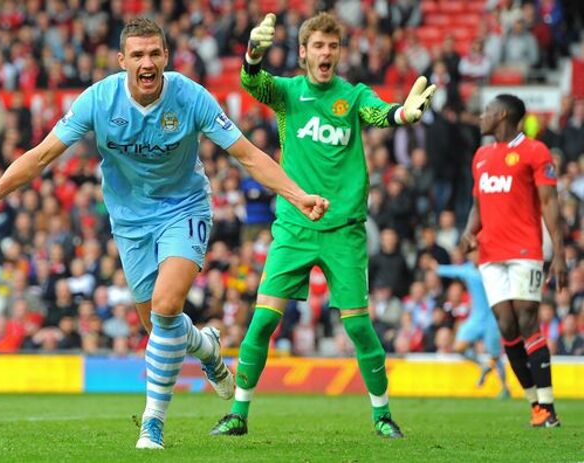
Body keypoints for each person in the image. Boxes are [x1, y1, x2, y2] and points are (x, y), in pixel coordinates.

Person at [0, 17, 329, 450]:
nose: (147, 63)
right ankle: (207, 348)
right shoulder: (98, 100)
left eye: (155, 53)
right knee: (159, 324)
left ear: (166, 57)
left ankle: (152, 423)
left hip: (184, 208)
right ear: (122, 60)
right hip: (129, 220)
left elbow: (248, 155)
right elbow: (43, 154)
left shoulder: (190, 96)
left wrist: (297, 195)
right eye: (138, 55)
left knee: (166, 305)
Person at [210, 12, 435, 439]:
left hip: (343, 230)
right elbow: (252, 82)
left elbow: (379, 113)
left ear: (339, 52)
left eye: (332, 46)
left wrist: (403, 115)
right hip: (294, 227)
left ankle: (382, 415)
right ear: (303, 52)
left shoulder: (352, 96)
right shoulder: (288, 93)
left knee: (358, 327)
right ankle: (238, 414)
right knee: (262, 322)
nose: (326, 52)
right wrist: (253, 52)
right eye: (318, 45)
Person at [460, 94, 566, 427]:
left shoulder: (535, 151)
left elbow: (549, 203)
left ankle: (548, 406)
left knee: (526, 317)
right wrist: (469, 232)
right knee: (506, 325)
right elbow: (478, 204)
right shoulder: (481, 156)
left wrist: (559, 252)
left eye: (487, 111)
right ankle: (536, 405)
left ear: (503, 115)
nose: (482, 116)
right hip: (490, 253)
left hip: (524, 250)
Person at [430, 253, 510, 398]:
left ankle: (504, 388)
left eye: (476, 253)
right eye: (471, 254)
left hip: (492, 320)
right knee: (458, 347)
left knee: (495, 355)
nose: (473, 257)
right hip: (476, 319)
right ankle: (482, 365)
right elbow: (453, 270)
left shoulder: (491, 269)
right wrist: (437, 268)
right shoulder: (467, 270)